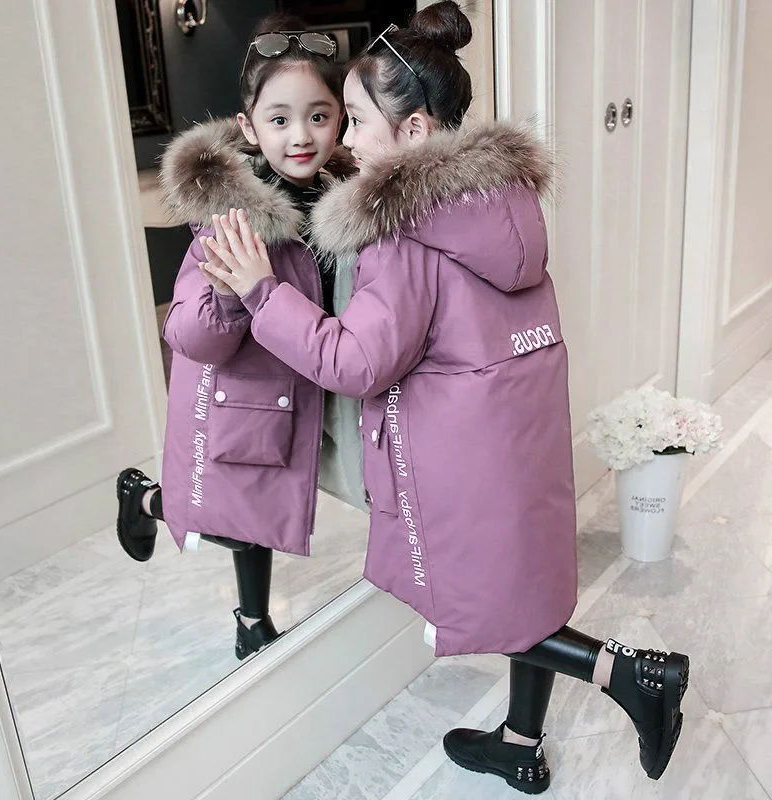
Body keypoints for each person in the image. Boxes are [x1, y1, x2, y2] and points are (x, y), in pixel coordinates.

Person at [201, 1, 691, 791]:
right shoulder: (500, 202)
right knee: (526, 590)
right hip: (520, 442)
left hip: (457, 462)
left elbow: (356, 362)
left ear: (415, 130)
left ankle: (631, 675)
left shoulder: (404, 231)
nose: (345, 139)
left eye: (357, 120)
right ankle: (522, 744)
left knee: (491, 603)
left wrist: (263, 293)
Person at [115, 13, 365, 662]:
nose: (301, 135)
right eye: (279, 119)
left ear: (341, 119)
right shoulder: (230, 219)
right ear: (250, 127)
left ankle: (248, 614)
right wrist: (229, 294)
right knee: (239, 525)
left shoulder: (345, 202)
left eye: (318, 115)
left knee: (264, 516)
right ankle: (149, 502)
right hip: (245, 400)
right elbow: (187, 334)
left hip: (307, 389)